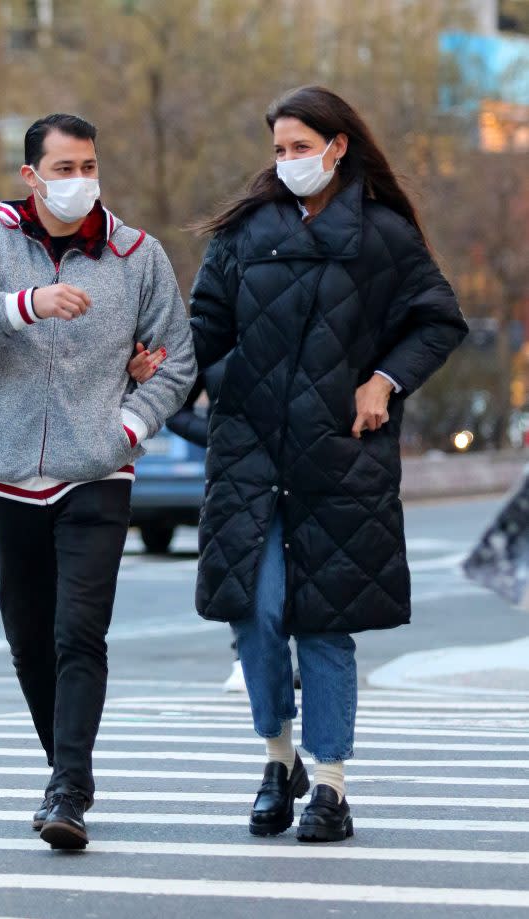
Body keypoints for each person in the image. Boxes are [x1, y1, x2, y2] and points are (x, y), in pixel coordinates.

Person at [140, 85, 467, 842]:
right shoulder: (243, 233)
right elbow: (202, 333)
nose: (288, 161)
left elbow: (436, 320)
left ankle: (330, 785)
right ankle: (276, 758)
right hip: (249, 454)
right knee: (253, 611)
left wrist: (382, 382)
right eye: (278, 149)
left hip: (338, 458)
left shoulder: (383, 235)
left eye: (300, 147)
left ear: (337, 146)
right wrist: (189, 386)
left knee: (324, 624)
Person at [0, 113, 196, 850]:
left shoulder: (135, 255)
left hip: (96, 474)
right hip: (10, 475)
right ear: (31, 176)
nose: (80, 180)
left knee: (79, 630)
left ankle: (69, 787)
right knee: (29, 640)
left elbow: (176, 357)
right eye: (65, 167)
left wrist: (131, 428)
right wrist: (25, 305)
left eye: (88, 165)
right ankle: (65, 770)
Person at [167, 359, 247, 692]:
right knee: (240, 560)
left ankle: (304, 659)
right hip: (235, 473)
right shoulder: (214, 332)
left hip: (303, 466)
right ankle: (244, 657)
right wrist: (218, 434)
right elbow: (175, 409)